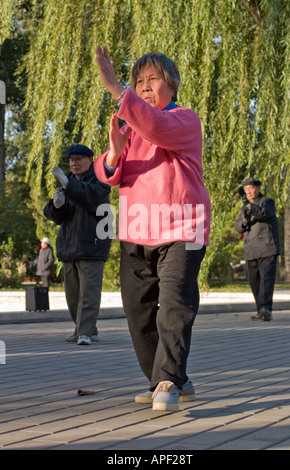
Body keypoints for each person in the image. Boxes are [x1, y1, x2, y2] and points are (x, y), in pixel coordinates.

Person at [94, 46, 211, 411]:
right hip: (135, 230)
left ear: (171, 86)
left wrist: (116, 89)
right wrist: (114, 153)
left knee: (173, 307)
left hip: (181, 229)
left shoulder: (184, 120)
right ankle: (168, 377)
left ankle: (167, 379)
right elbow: (106, 174)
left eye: (153, 79)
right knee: (138, 310)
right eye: (138, 81)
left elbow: (155, 126)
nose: (145, 87)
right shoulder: (130, 130)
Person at [44, 144, 112, 345]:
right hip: (69, 247)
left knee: (88, 294)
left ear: (90, 160)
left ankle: (84, 333)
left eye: (79, 159)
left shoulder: (100, 181)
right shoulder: (68, 181)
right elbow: (58, 217)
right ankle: (87, 329)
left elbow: (91, 199)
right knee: (73, 296)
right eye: (71, 160)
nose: (74, 163)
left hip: (92, 245)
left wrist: (69, 187)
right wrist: (56, 206)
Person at [235, 177, 280, 322]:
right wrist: (245, 220)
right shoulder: (244, 207)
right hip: (251, 250)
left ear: (258, 189)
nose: (248, 191)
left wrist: (249, 206)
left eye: (251, 188)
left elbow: (263, 213)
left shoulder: (268, 202)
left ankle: (266, 309)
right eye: (246, 189)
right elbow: (238, 226)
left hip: (267, 248)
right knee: (254, 283)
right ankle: (260, 310)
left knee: (266, 280)